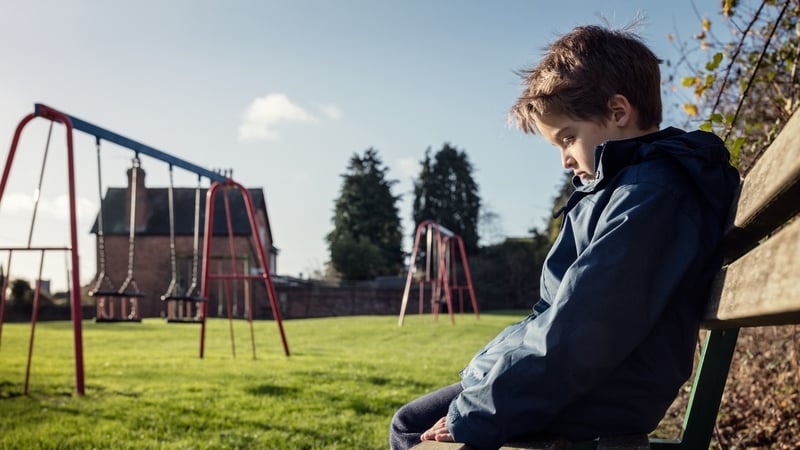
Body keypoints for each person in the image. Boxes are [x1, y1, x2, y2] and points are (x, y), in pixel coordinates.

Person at [389, 24, 741, 450]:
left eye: (568, 138)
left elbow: (585, 329)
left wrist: (478, 410)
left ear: (617, 112)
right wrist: (489, 374)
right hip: (588, 381)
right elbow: (559, 315)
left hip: (600, 390)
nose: (564, 160)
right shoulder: (619, 191)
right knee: (414, 421)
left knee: (412, 428)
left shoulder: (651, 197)